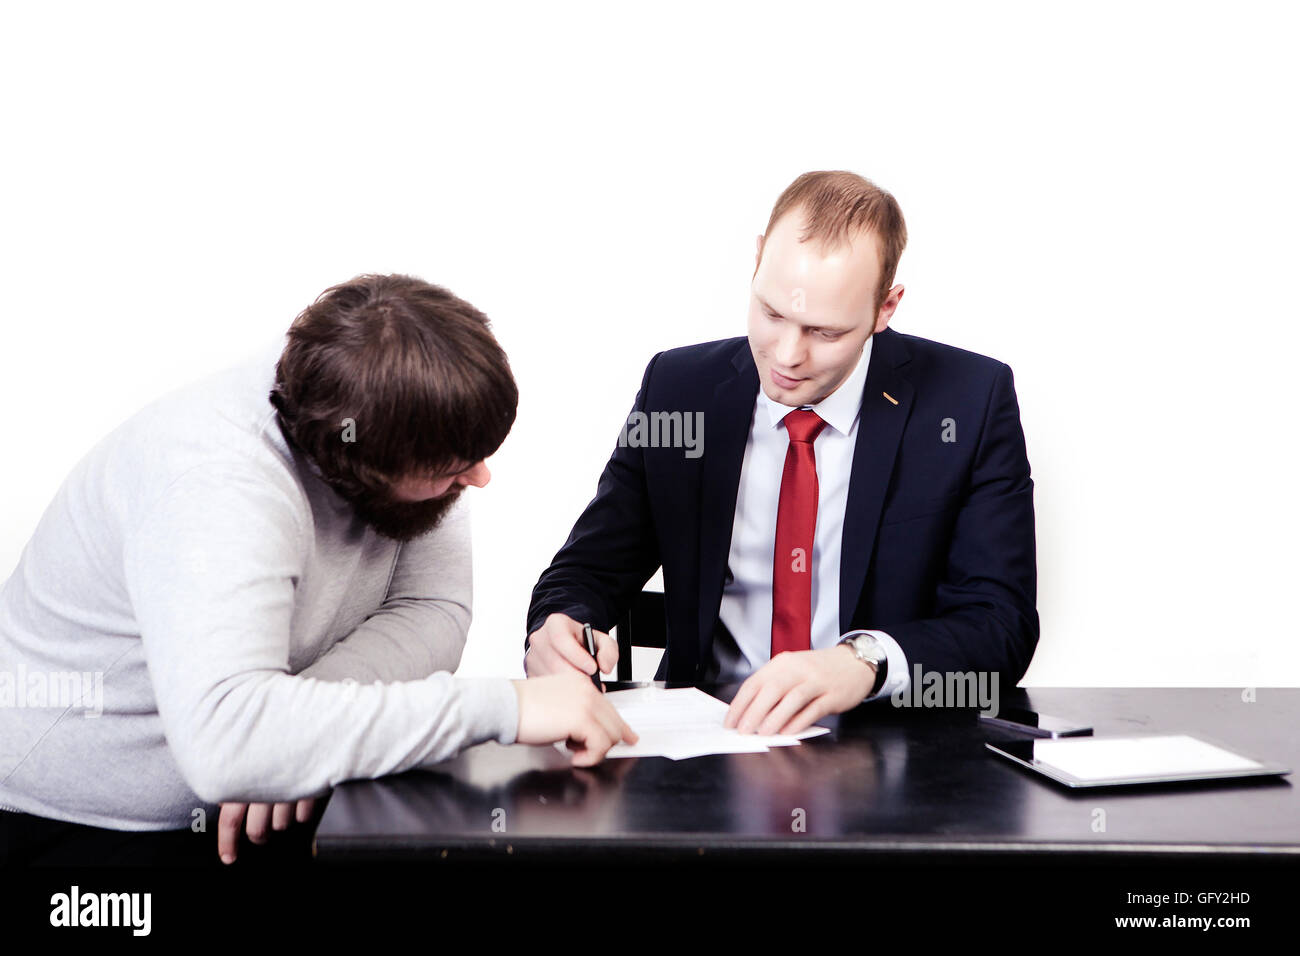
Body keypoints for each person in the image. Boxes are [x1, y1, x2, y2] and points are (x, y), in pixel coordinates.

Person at [0, 273, 636, 867]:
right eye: (453, 466)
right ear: (357, 464)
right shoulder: (215, 481)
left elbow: (433, 609)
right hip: (88, 831)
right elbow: (229, 744)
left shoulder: (394, 411)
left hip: (259, 803)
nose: (479, 478)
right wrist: (510, 706)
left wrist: (296, 737)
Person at [525, 171, 1038, 734]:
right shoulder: (679, 390)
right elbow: (588, 569)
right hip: (706, 743)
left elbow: (1001, 625)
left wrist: (862, 662)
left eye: (824, 332)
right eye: (771, 314)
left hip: (885, 749)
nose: (787, 356)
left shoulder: (969, 402)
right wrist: (559, 626)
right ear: (757, 260)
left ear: (885, 308)